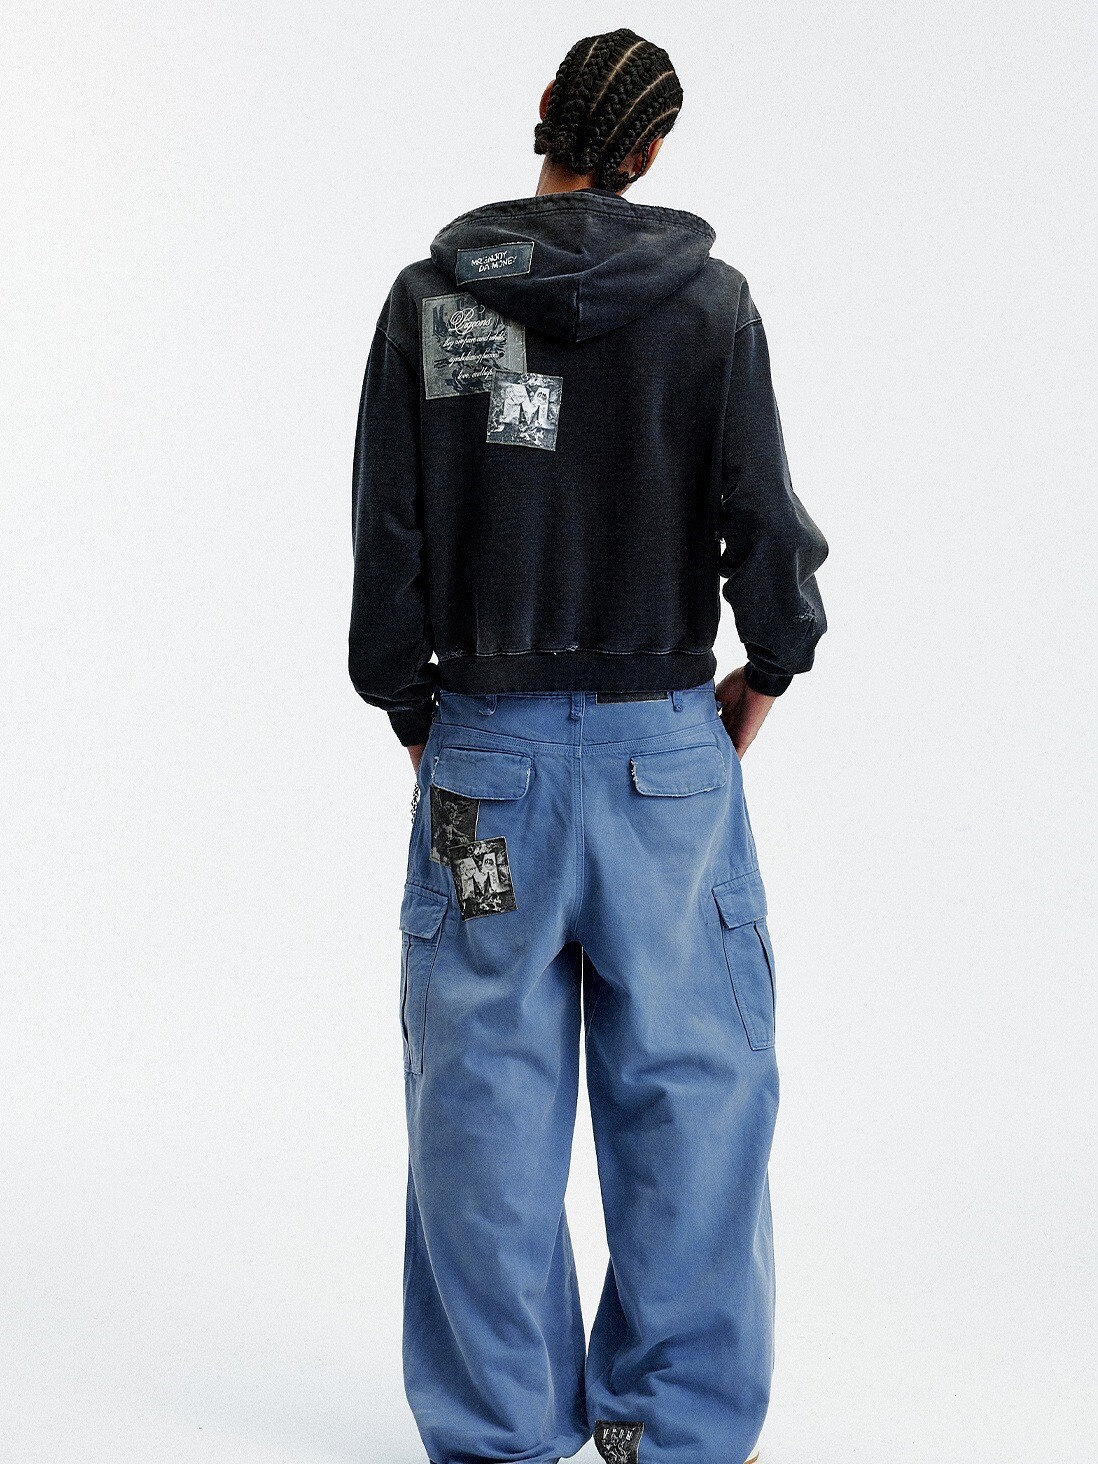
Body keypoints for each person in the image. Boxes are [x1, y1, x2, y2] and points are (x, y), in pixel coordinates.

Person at [348, 28, 828, 1464]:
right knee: (692, 1099)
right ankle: (662, 1433)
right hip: (666, 765)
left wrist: (428, 722)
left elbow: (388, 548)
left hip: (482, 769)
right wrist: (764, 676)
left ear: (545, 115)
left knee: (481, 1114)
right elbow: (766, 531)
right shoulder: (711, 308)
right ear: (651, 148)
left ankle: (502, 1434)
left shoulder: (435, 301)